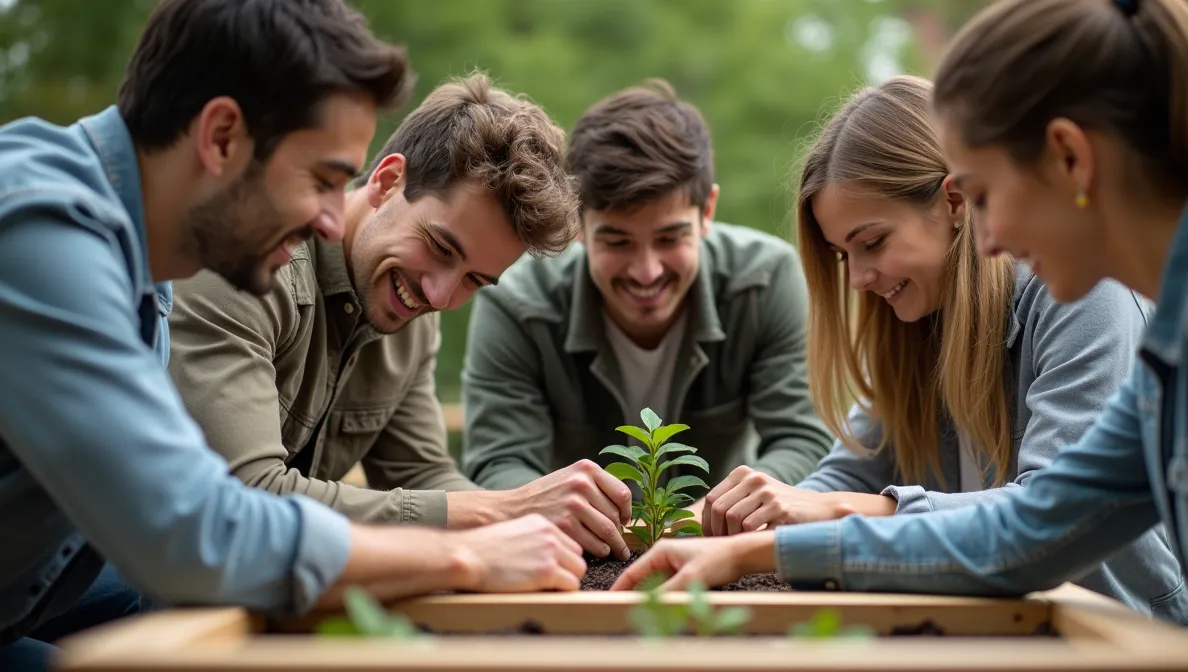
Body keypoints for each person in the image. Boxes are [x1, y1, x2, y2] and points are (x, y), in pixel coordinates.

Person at [612, 0, 1188, 669]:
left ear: (1069, 158)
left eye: (981, 196)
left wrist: (807, 528)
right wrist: (749, 552)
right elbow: (1038, 527)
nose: (989, 236)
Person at [0, 2, 583, 669]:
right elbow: (197, 525)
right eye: (325, 180)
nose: (335, 221)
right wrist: (464, 551)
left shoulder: (145, 260)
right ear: (221, 137)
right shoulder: (42, 228)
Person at [697, 75, 1188, 624]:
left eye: (872, 243)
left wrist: (839, 512)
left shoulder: (1083, 295)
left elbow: (1050, 510)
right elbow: (845, 477)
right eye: (844, 256)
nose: (859, 278)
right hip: (997, 625)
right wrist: (719, 520)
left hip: (1118, 631)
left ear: (954, 200)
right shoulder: (919, 322)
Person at [167, 72, 637, 562]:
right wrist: (501, 511)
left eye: (475, 281)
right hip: (127, 583)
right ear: (388, 181)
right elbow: (248, 497)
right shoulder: (249, 263)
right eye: (439, 246)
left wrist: (542, 524)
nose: (439, 292)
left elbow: (422, 476)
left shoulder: (411, 310)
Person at [460, 80, 832, 503]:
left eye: (670, 239)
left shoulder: (766, 281)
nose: (646, 271)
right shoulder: (517, 301)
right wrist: (568, 511)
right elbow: (497, 461)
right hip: (573, 549)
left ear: (706, 211)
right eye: (617, 242)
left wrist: (712, 517)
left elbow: (804, 442)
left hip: (722, 543)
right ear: (577, 223)